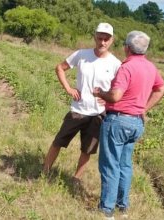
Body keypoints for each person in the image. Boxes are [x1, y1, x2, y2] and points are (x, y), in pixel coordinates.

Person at [93, 30, 164, 219]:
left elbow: (116, 96)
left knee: (110, 165)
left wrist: (100, 93)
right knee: (125, 164)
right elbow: (161, 89)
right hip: (136, 123)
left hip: (117, 120)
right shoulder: (150, 67)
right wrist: (144, 109)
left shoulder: (127, 67)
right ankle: (122, 205)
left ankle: (106, 210)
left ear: (127, 47)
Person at [42, 23, 121, 182]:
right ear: (95, 37)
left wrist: (106, 99)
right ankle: (45, 171)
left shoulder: (116, 64)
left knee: (87, 149)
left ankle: (76, 179)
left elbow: (119, 90)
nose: (102, 42)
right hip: (77, 110)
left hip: (98, 114)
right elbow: (60, 68)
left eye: (106, 39)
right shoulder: (81, 54)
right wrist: (68, 88)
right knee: (59, 141)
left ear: (111, 40)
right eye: (100, 38)